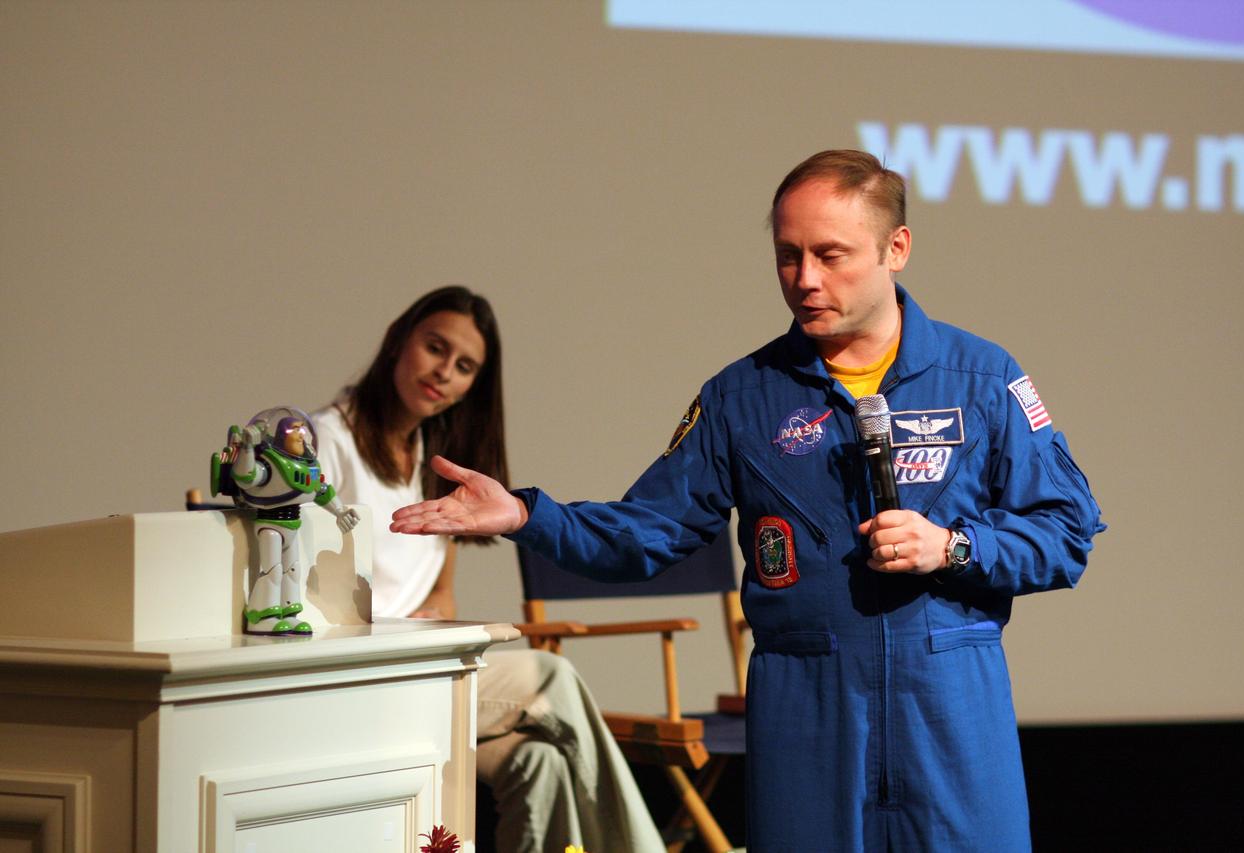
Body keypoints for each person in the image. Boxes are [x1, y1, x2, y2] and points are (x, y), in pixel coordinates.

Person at [390, 151, 1105, 851]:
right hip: (808, 713)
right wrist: (525, 514)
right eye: (787, 255)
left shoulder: (979, 376)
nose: (804, 279)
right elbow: (645, 533)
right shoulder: (742, 396)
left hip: (952, 705)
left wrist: (954, 547)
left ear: (897, 248)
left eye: (831, 255)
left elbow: (1067, 529)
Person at [309, 286, 664, 853]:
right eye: (434, 347)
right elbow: (307, 602)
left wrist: (431, 622)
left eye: (465, 366)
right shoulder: (325, 443)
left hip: (417, 671)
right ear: (400, 340)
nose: (445, 371)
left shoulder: (435, 462)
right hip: (357, 678)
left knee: (540, 761)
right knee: (553, 679)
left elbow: (442, 595)